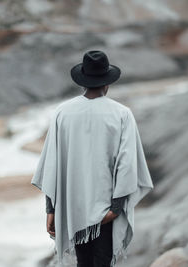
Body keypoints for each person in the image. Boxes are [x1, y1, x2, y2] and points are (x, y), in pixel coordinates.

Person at [31, 50, 154, 267]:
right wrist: (116, 209)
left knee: (83, 262)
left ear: (83, 81)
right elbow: (127, 165)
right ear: (107, 83)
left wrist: (51, 209)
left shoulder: (62, 113)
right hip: (105, 210)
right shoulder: (122, 114)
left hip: (73, 208)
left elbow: (52, 165)